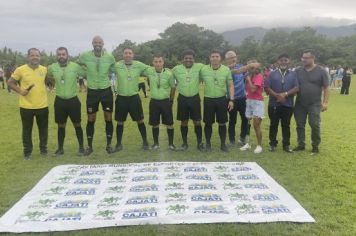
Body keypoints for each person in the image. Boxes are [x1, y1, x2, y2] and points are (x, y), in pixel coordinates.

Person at [7, 48, 48, 160]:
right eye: (32, 55)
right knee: (27, 130)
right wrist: (20, 91)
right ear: (28, 56)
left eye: (37, 55)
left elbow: (49, 81)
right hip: (26, 106)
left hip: (43, 105)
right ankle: (27, 152)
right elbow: (10, 82)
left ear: (40, 57)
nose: (35, 57)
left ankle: (43, 150)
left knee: (43, 129)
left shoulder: (44, 69)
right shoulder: (20, 69)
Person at [78, 35, 116, 155]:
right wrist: (84, 73)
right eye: (95, 42)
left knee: (108, 118)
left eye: (99, 42)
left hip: (106, 91)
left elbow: (114, 68)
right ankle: (89, 146)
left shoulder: (109, 57)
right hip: (92, 92)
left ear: (103, 43)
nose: (97, 44)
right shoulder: (85, 55)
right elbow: (77, 65)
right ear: (92, 43)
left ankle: (109, 145)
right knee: (91, 119)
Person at [46, 47, 85, 156]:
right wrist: (49, 86)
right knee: (60, 125)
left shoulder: (75, 66)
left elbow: (87, 72)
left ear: (67, 55)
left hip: (73, 100)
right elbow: (46, 77)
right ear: (56, 56)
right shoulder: (52, 67)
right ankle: (60, 149)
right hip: (60, 101)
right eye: (59, 54)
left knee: (77, 124)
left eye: (63, 54)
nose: (61, 56)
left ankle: (81, 148)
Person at [294, 49, 330, 155]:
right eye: (302, 57)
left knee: (314, 124)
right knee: (299, 124)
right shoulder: (298, 70)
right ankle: (301, 144)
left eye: (306, 58)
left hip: (315, 103)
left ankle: (315, 146)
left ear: (313, 58)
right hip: (300, 103)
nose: (303, 60)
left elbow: (326, 88)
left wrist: (325, 102)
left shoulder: (321, 71)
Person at [113, 47, 150, 151]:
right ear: (123, 55)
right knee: (120, 122)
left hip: (134, 98)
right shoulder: (117, 65)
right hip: (121, 98)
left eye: (130, 53)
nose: (128, 55)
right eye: (126, 53)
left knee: (140, 120)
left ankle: (145, 142)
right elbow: (107, 68)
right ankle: (119, 144)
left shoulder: (138, 64)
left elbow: (149, 69)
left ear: (133, 55)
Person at [200, 50, 234, 152]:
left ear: (220, 58)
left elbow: (231, 85)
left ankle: (223, 144)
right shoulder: (203, 69)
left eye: (217, 56)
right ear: (210, 58)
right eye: (213, 56)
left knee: (222, 123)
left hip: (222, 99)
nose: (215, 58)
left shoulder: (226, 70)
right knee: (208, 123)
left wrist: (231, 99)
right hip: (208, 99)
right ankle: (208, 144)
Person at [265, 54, 299, 153]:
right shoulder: (272, 74)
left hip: (288, 104)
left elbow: (297, 87)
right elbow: (267, 87)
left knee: (286, 125)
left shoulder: (293, 74)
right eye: (281, 60)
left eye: (285, 60)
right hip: (274, 104)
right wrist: (277, 96)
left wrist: (285, 94)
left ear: (289, 62)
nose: (283, 62)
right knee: (273, 124)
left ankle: (286, 145)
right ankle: (272, 144)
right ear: (278, 62)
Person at [172, 49, 205, 151]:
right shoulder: (176, 69)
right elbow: (171, 81)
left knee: (197, 121)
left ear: (193, 59)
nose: (188, 60)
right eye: (186, 58)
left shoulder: (200, 67)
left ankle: (199, 143)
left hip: (195, 97)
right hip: (182, 98)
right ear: (183, 59)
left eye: (190, 58)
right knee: (184, 122)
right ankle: (184, 143)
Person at [146, 54, 176, 150]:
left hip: (165, 102)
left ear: (163, 62)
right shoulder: (149, 71)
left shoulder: (169, 73)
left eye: (160, 61)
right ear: (153, 63)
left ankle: (171, 144)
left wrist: (171, 100)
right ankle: (156, 144)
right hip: (154, 101)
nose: (158, 64)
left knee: (169, 123)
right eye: (156, 61)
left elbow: (173, 87)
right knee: (155, 124)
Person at [225, 50, 249, 146]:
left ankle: (242, 138)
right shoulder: (224, 70)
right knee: (232, 120)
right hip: (231, 99)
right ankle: (231, 140)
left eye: (234, 57)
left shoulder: (241, 67)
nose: (232, 59)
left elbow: (245, 76)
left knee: (245, 119)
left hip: (242, 98)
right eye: (230, 58)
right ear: (226, 60)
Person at [240, 60, 264, 154]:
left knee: (256, 125)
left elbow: (253, 89)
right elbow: (247, 89)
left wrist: (248, 80)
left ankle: (259, 145)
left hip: (257, 102)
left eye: (254, 67)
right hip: (249, 100)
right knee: (248, 123)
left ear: (257, 68)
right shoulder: (250, 76)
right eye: (250, 67)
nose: (252, 69)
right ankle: (248, 143)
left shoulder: (259, 76)